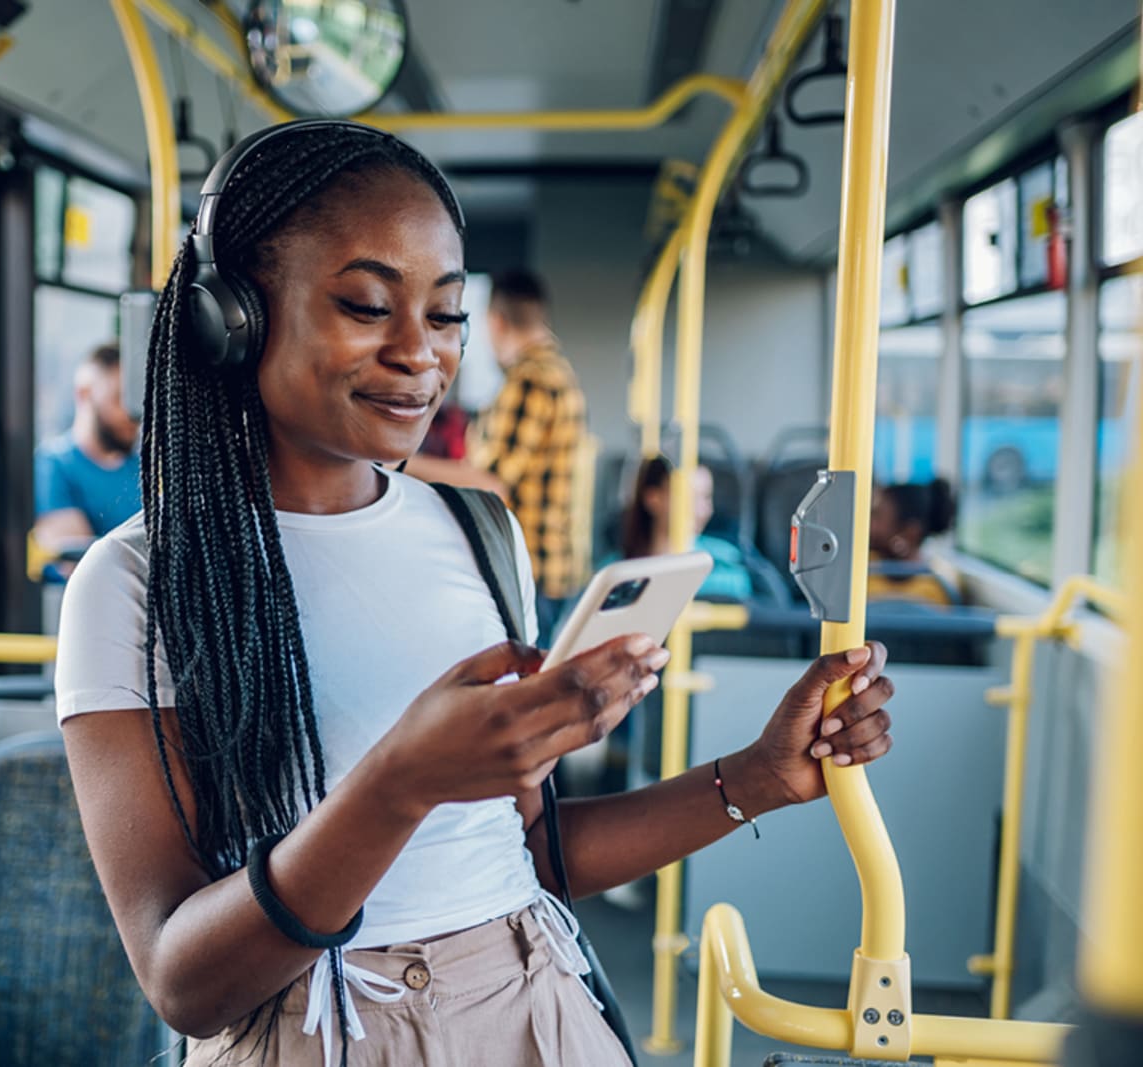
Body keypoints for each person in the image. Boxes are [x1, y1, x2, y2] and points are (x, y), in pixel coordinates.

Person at [56, 120, 897, 1067]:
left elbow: (528, 856)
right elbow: (183, 983)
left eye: (448, 314)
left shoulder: (477, 533)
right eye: (368, 305)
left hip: (535, 1001)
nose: (422, 354)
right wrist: (399, 784)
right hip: (316, 1028)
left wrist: (754, 778)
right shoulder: (133, 585)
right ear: (233, 317)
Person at [462, 270, 587, 640]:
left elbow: (490, 481)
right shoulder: (560, 374)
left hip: (529, 568)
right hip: (554, 568)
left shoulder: (530, 380)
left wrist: (402, 466)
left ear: (496, 322)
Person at [32, 343, 141, 576]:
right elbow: (80, 565)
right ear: (84, 394)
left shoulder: (144, 470)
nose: (132, 415)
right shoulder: (53, 465)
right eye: (118, 399)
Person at [620, 455, 754, 601]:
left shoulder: (729, 560)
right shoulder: (617, 572)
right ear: (653, 499)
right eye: (690, 497)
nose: (702, 510)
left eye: (706, 497)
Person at [868, 478, 959, 606]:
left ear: (909, 532)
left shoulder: (938, 587)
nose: (867, 523)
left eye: (876, 515)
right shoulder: (861, 568)